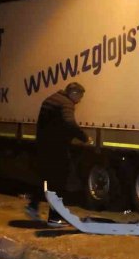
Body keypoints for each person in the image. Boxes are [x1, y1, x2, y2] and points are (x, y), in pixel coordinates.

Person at [24, 82, 91, 227]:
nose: (80, 100)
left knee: (46, 179)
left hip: (44, 146)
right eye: (80, 96)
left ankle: (33, 206)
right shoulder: (66, 103)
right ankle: (54, 218)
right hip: (56, 149)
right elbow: (69, 122)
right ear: (74, 93)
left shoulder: (51, 99)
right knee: (58, 182)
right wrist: (85, 138)